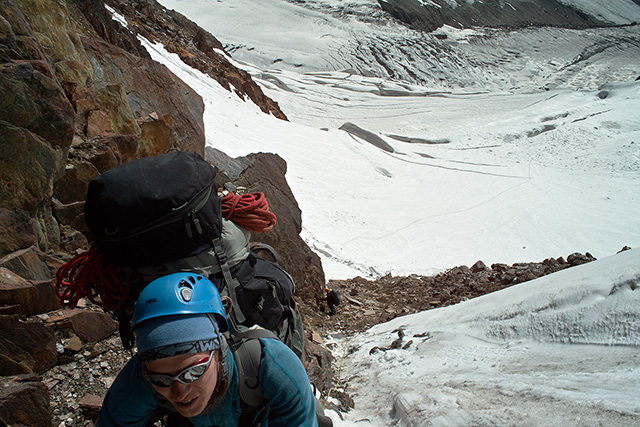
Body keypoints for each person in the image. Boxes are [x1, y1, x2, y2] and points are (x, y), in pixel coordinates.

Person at [97, 272, 318, 426]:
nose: (179, 392)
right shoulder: (145, 376)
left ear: (220, 349)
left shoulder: (272, 365)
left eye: (193, 372)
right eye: (162, 380)